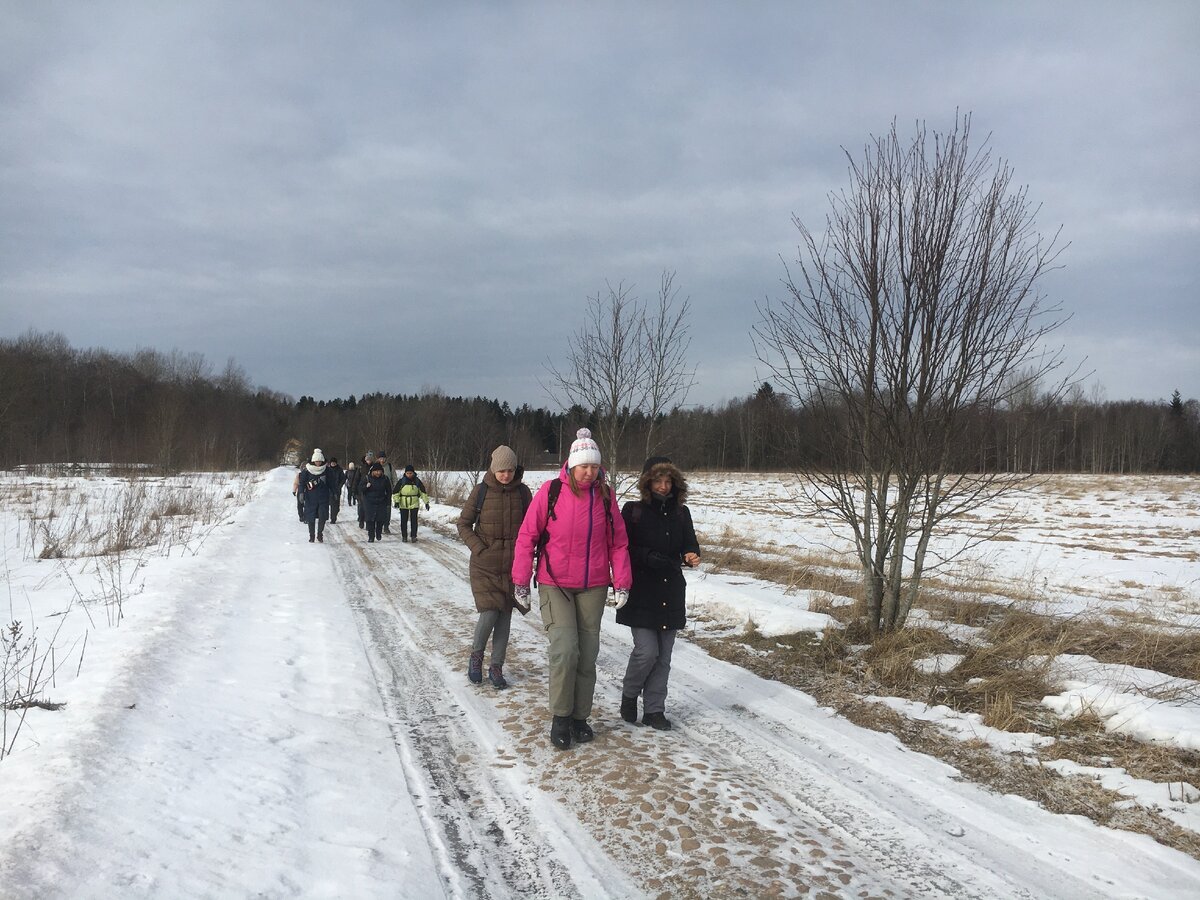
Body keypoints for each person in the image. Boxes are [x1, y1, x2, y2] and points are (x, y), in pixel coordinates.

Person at [512, 428, 631, 751]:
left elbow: (618, 543)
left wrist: (622, 581)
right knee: (565, 650)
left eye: (594, 466)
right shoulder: (551, 492)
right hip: (555, 583)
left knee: (587, 656)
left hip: (593, 586)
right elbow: (527, 537)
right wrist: (521, 580)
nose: (589, 472)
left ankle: (580, 718)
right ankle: (561, 717)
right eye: (584, 466)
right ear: (572, 465)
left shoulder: (606, 496)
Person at [617, 456, 701, 731]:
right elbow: (621, 548)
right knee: (646, 652)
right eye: (658, 481)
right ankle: (630, 694)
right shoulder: (632, 511)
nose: (664, 487)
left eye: (668, 481)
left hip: (671, 589)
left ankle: (655, 710)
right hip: (642, 590)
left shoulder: (681, 513)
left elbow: (690, 544)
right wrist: (648, 556)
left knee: (663, 657)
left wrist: (691, 555)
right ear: (647, 482)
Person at [456, 446, 533, 689]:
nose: (505, 475)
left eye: (509, 470)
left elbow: (533, 526)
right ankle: (476, 658)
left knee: (505, 617)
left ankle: (497, 667)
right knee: (489, 613)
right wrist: (480, 548)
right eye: (501, 470)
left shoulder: (523, 493)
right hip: (485, 565)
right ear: (493, 469)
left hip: (513, 566)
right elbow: (464, 524)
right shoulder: (480, 491)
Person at [296, 449, 334, 543]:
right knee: (310, 517)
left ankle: (320, 533)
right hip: (310, 498)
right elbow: (301, 483)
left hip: (323, 497)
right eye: (316, 461)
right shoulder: (307, 470)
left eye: (320, 461)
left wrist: (335, 493)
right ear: (313, 461)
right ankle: (311, 535)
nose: (318, 463)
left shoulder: (327, 470)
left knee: (322, 517)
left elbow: (332, 483)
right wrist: (301, 493)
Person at [393, 464, 430, 543]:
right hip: (403, 502)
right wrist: (396, 501)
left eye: (410, 473)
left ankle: (413, 536)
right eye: (407, 473)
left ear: (413, 473)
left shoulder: (417, 481)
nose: (409, 475)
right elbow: (396, 492)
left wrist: (426, 502)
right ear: (405, 473)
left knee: (414, 520)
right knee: (404, 520)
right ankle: (404, 536)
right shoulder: (402, 481)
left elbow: (423, 492)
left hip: (414, 502)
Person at [360, 460, 391, 542]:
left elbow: (389, 491)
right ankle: (371, 536)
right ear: (372, 471)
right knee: (370, 520)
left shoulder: (385, 479)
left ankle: (378, 532)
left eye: (379, 471)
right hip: (369, 502)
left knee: (380, 519)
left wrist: (388, 501)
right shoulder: (367, 478)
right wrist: (366, 487)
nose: (378, 473)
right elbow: (360, 489)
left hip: (381, 501)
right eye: (376, 471)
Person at [376, 450, 397, 534]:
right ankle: (379, 526)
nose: (382, 459)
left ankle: (386, 526)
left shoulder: (390, 467)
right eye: (381, 458)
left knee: (387, 510)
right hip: (377, 492)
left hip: (388, 491)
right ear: (378, 459)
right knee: (378, 510)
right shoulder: (375, 466)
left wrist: (395, 487)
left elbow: (394, 478)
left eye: (383, 458)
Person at [356, 451, 375, 529]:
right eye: (367, 460)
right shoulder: (361, 468)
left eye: (370, 460)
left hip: (371, 490)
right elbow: (357, 479)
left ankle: (368, 523)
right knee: (361, 507)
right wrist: (354, 490)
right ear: (365, 460)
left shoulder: (374, 467)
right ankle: (361, 520)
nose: (369, 461)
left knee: (369, 508)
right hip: (362, 489)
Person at [325, 456, 347, 524]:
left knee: (336, 506)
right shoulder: (327, 470)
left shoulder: (339, 470)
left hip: (337, 490)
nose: (333, 464)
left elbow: (343, 479)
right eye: (332, 463)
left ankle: (334, 515)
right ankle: (332, 519)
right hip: (329, 490)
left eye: (334, 463)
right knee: (332, 505)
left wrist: (339, 486)